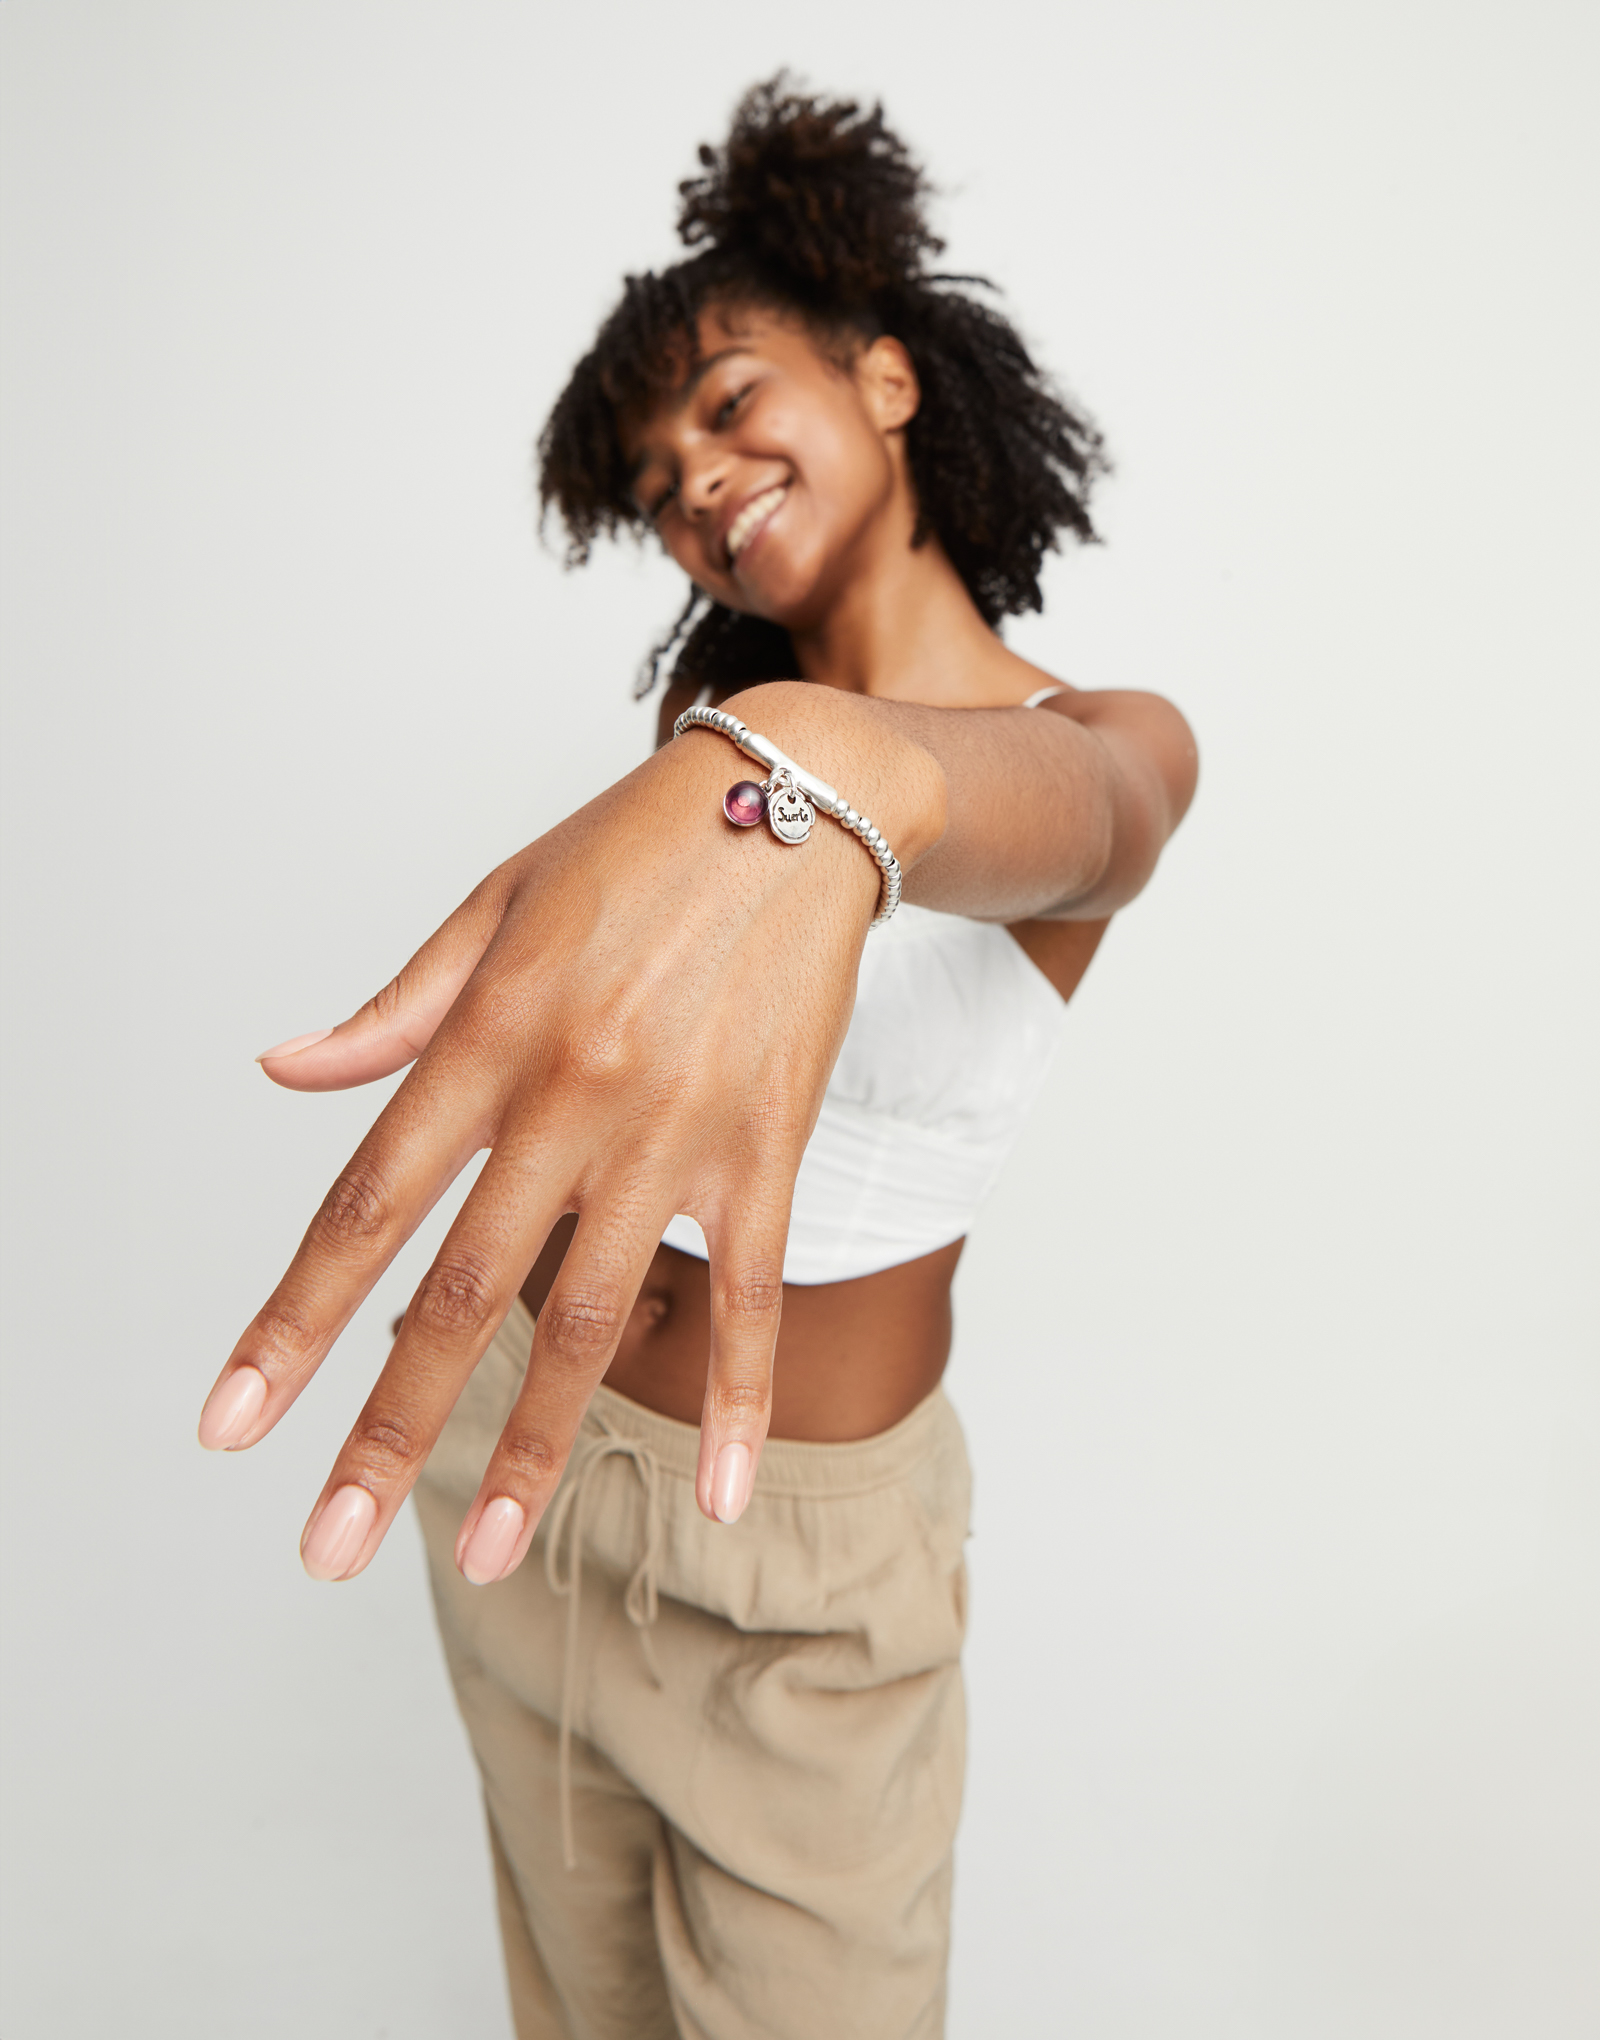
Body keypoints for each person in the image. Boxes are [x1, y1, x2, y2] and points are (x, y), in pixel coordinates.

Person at [198, 78, 1197, 2040]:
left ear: (888, 380)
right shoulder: (691, 752)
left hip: (804, 1580)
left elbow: (1070, 808)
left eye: (731, 403)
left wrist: (824, 767)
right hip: (519, 1470)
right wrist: (740, 758)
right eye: (657, 477)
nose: (697, 483)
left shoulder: (1096, 739)